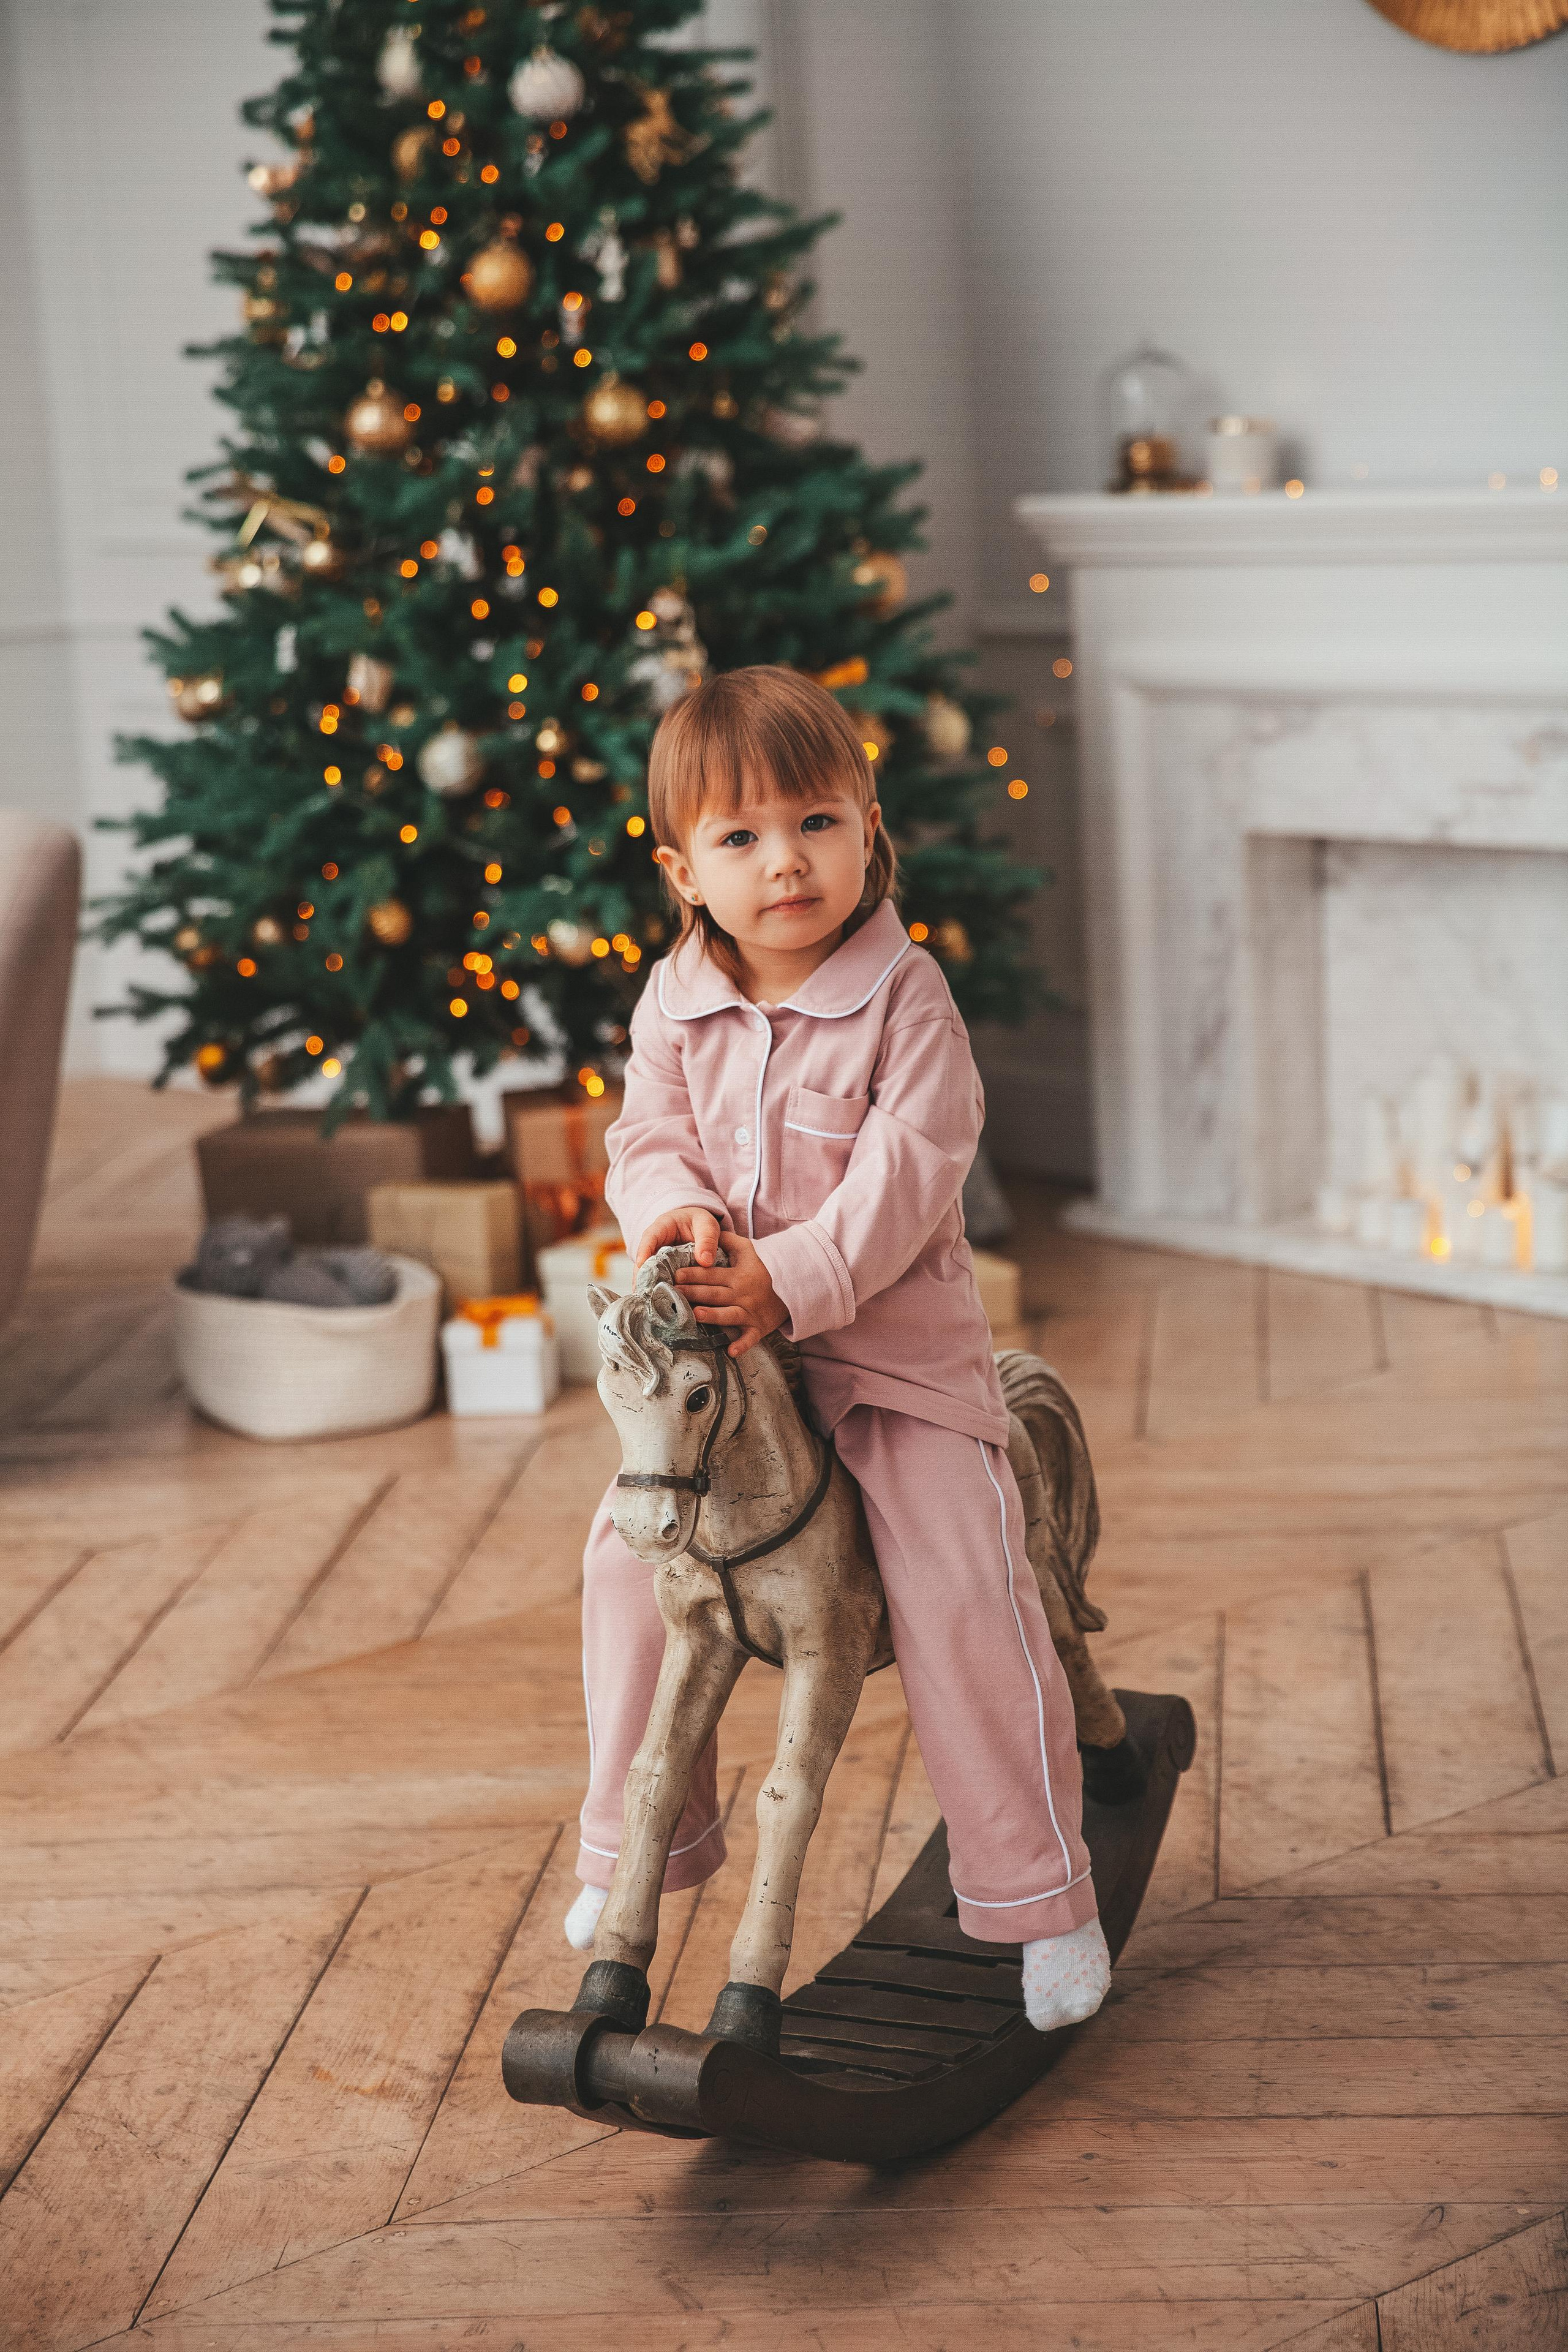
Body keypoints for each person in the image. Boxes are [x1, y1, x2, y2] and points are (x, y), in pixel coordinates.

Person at [565, 665, 1110, 2033]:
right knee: (623, 1564)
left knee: (964, 1592)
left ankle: (1042, 1899)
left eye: (815, 822)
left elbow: (910, 1172)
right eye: (741, 837)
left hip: (889, 1365)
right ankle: (633, 1851)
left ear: (868, 828)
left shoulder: (905, 999)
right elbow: (646, 1137)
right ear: (683, 871)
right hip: (729, 1377)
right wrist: (677, 1216)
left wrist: (791, 1279)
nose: (785, 862)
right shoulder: (674, 999)